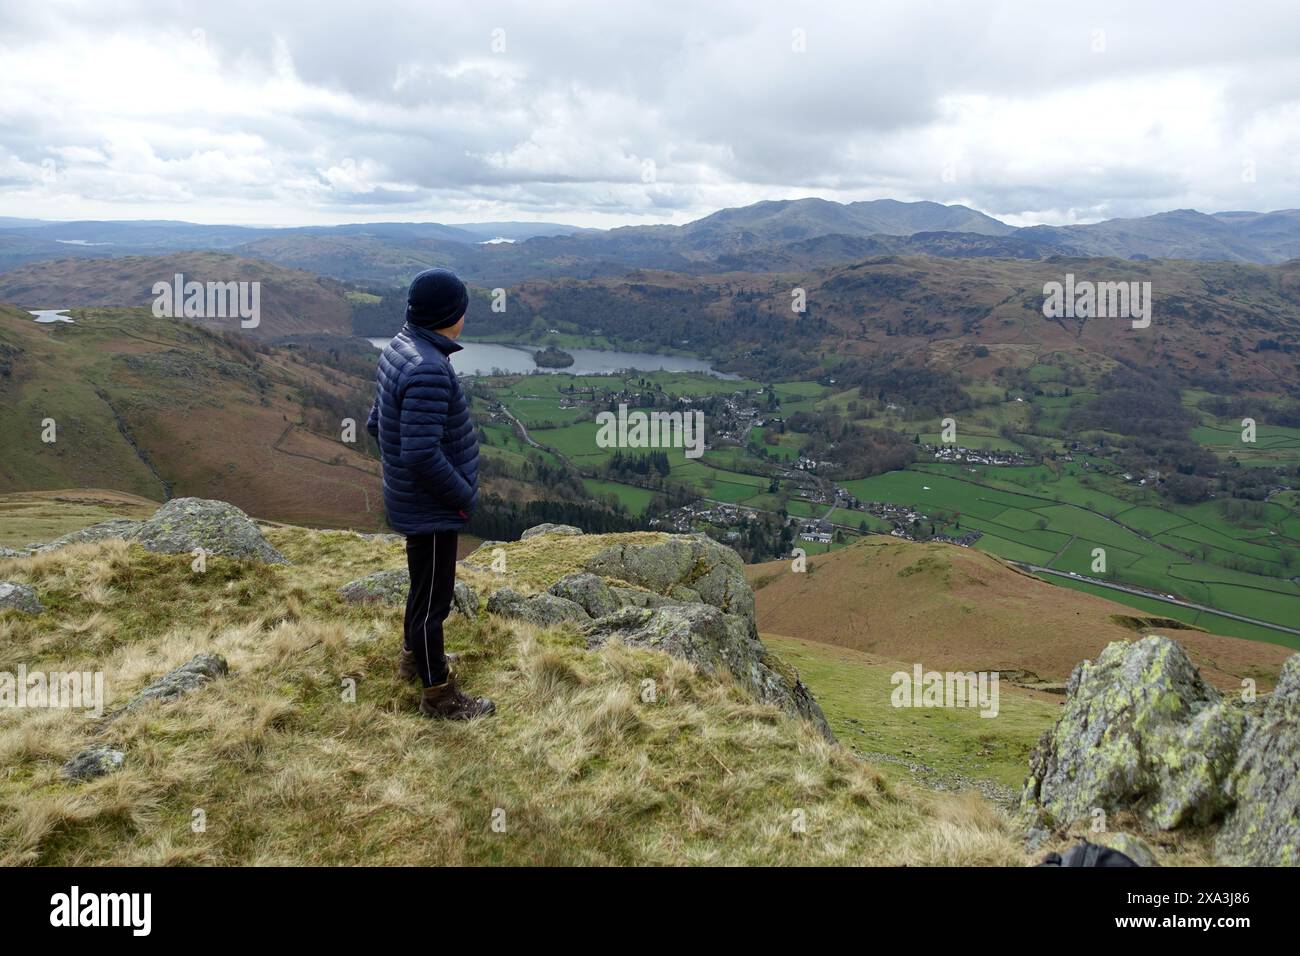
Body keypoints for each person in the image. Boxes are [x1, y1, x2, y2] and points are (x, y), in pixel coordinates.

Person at [366, 268, 495, 719]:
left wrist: (402, 477)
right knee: (434, 604)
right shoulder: (430, 368)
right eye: (462, 308)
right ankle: (439, 695)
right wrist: (459, 496)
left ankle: (414, 660)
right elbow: (421, 454)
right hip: (432, 505)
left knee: (422, 590)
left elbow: (375, 424)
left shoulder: (400, 349)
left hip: (413, 498)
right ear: (450, 314)